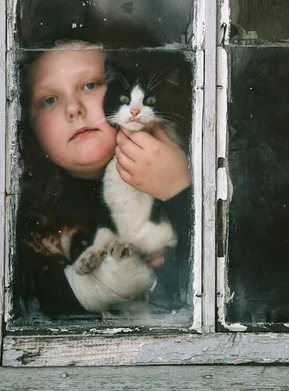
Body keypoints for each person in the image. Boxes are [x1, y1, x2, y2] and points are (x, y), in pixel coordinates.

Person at [16, 41, 192, 317]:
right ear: (27, 123)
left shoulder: (188, 159)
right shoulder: (23, 218)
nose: (73, 109)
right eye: (49, 99)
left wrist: (180, 189)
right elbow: (29, 308)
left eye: (89, 85)